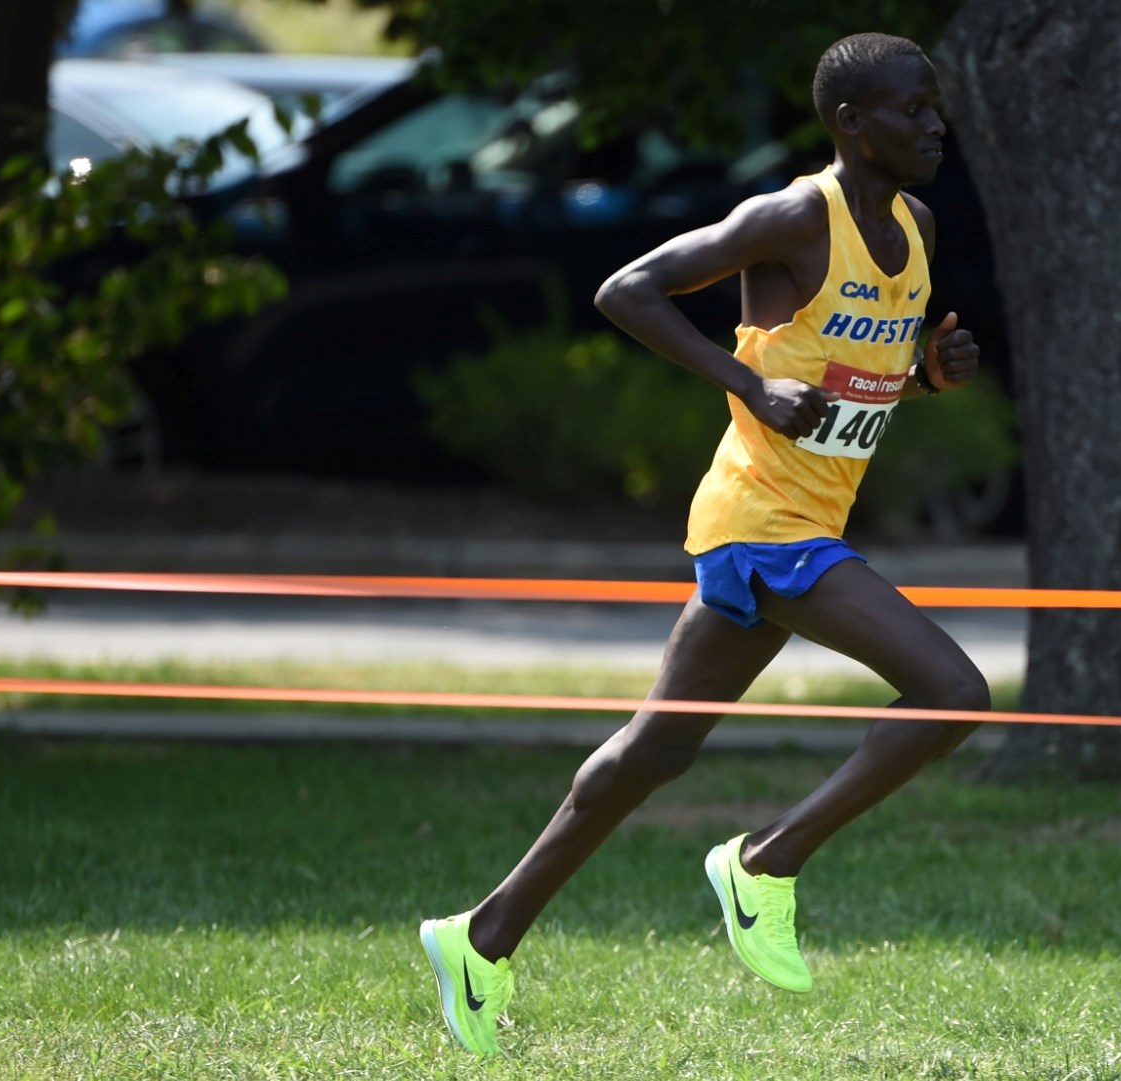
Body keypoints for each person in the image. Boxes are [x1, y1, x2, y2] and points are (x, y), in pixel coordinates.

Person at [419, 31, 987, 1057]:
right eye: (911, 108)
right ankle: (765, 864)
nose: (933, 122)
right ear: (851, 125)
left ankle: (480, 936)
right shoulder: (792, 216)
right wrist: (747, 386)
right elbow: (626, 289)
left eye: (935, 105)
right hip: (763, 528)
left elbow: (854, 379)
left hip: (799, 526)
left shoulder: (919, 224)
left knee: (656, 749)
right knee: (955, 692)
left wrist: (930, 376)